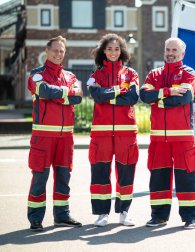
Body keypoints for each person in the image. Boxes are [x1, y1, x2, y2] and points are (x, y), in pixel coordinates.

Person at [140, 37, 195, 230]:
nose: (170, 53)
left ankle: (190, 218)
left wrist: (158, 99)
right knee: (158, 177)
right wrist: (166, 92)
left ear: (182, 54)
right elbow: (144, 96)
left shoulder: (188, 73)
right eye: (168, 49)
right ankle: (158, 217)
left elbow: (185, 97)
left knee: (187, 177)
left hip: (182, 137)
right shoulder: (154, 74)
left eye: (174, 50)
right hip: (159, 139)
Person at [27, 36, 83, 231]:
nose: (58, 54)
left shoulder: (71, 76)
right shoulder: (36, 74)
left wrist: (58, 94)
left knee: (63, 178)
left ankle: (62, 216)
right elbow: (43, 91)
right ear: (47, 51)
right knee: (40, 178)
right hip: (43, 138)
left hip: (66, 138)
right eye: (55, 50)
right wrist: (66, 93)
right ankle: (35, 218)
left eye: (61, 51)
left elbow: (78, 98)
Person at [87, 33, 139, 227]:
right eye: (109, 49)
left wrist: (108, 93)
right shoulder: (95, 76)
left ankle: (124, 212)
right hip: (101, 134)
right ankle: (102, 213)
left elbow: (133, 97)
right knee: (100, 173)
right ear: (103, 51)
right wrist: (119, 90)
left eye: (117, 49)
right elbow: (97, 96)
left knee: (126, 173)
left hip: (126, 132)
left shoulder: (131, 74)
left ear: (122, 51)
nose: (113, 52)